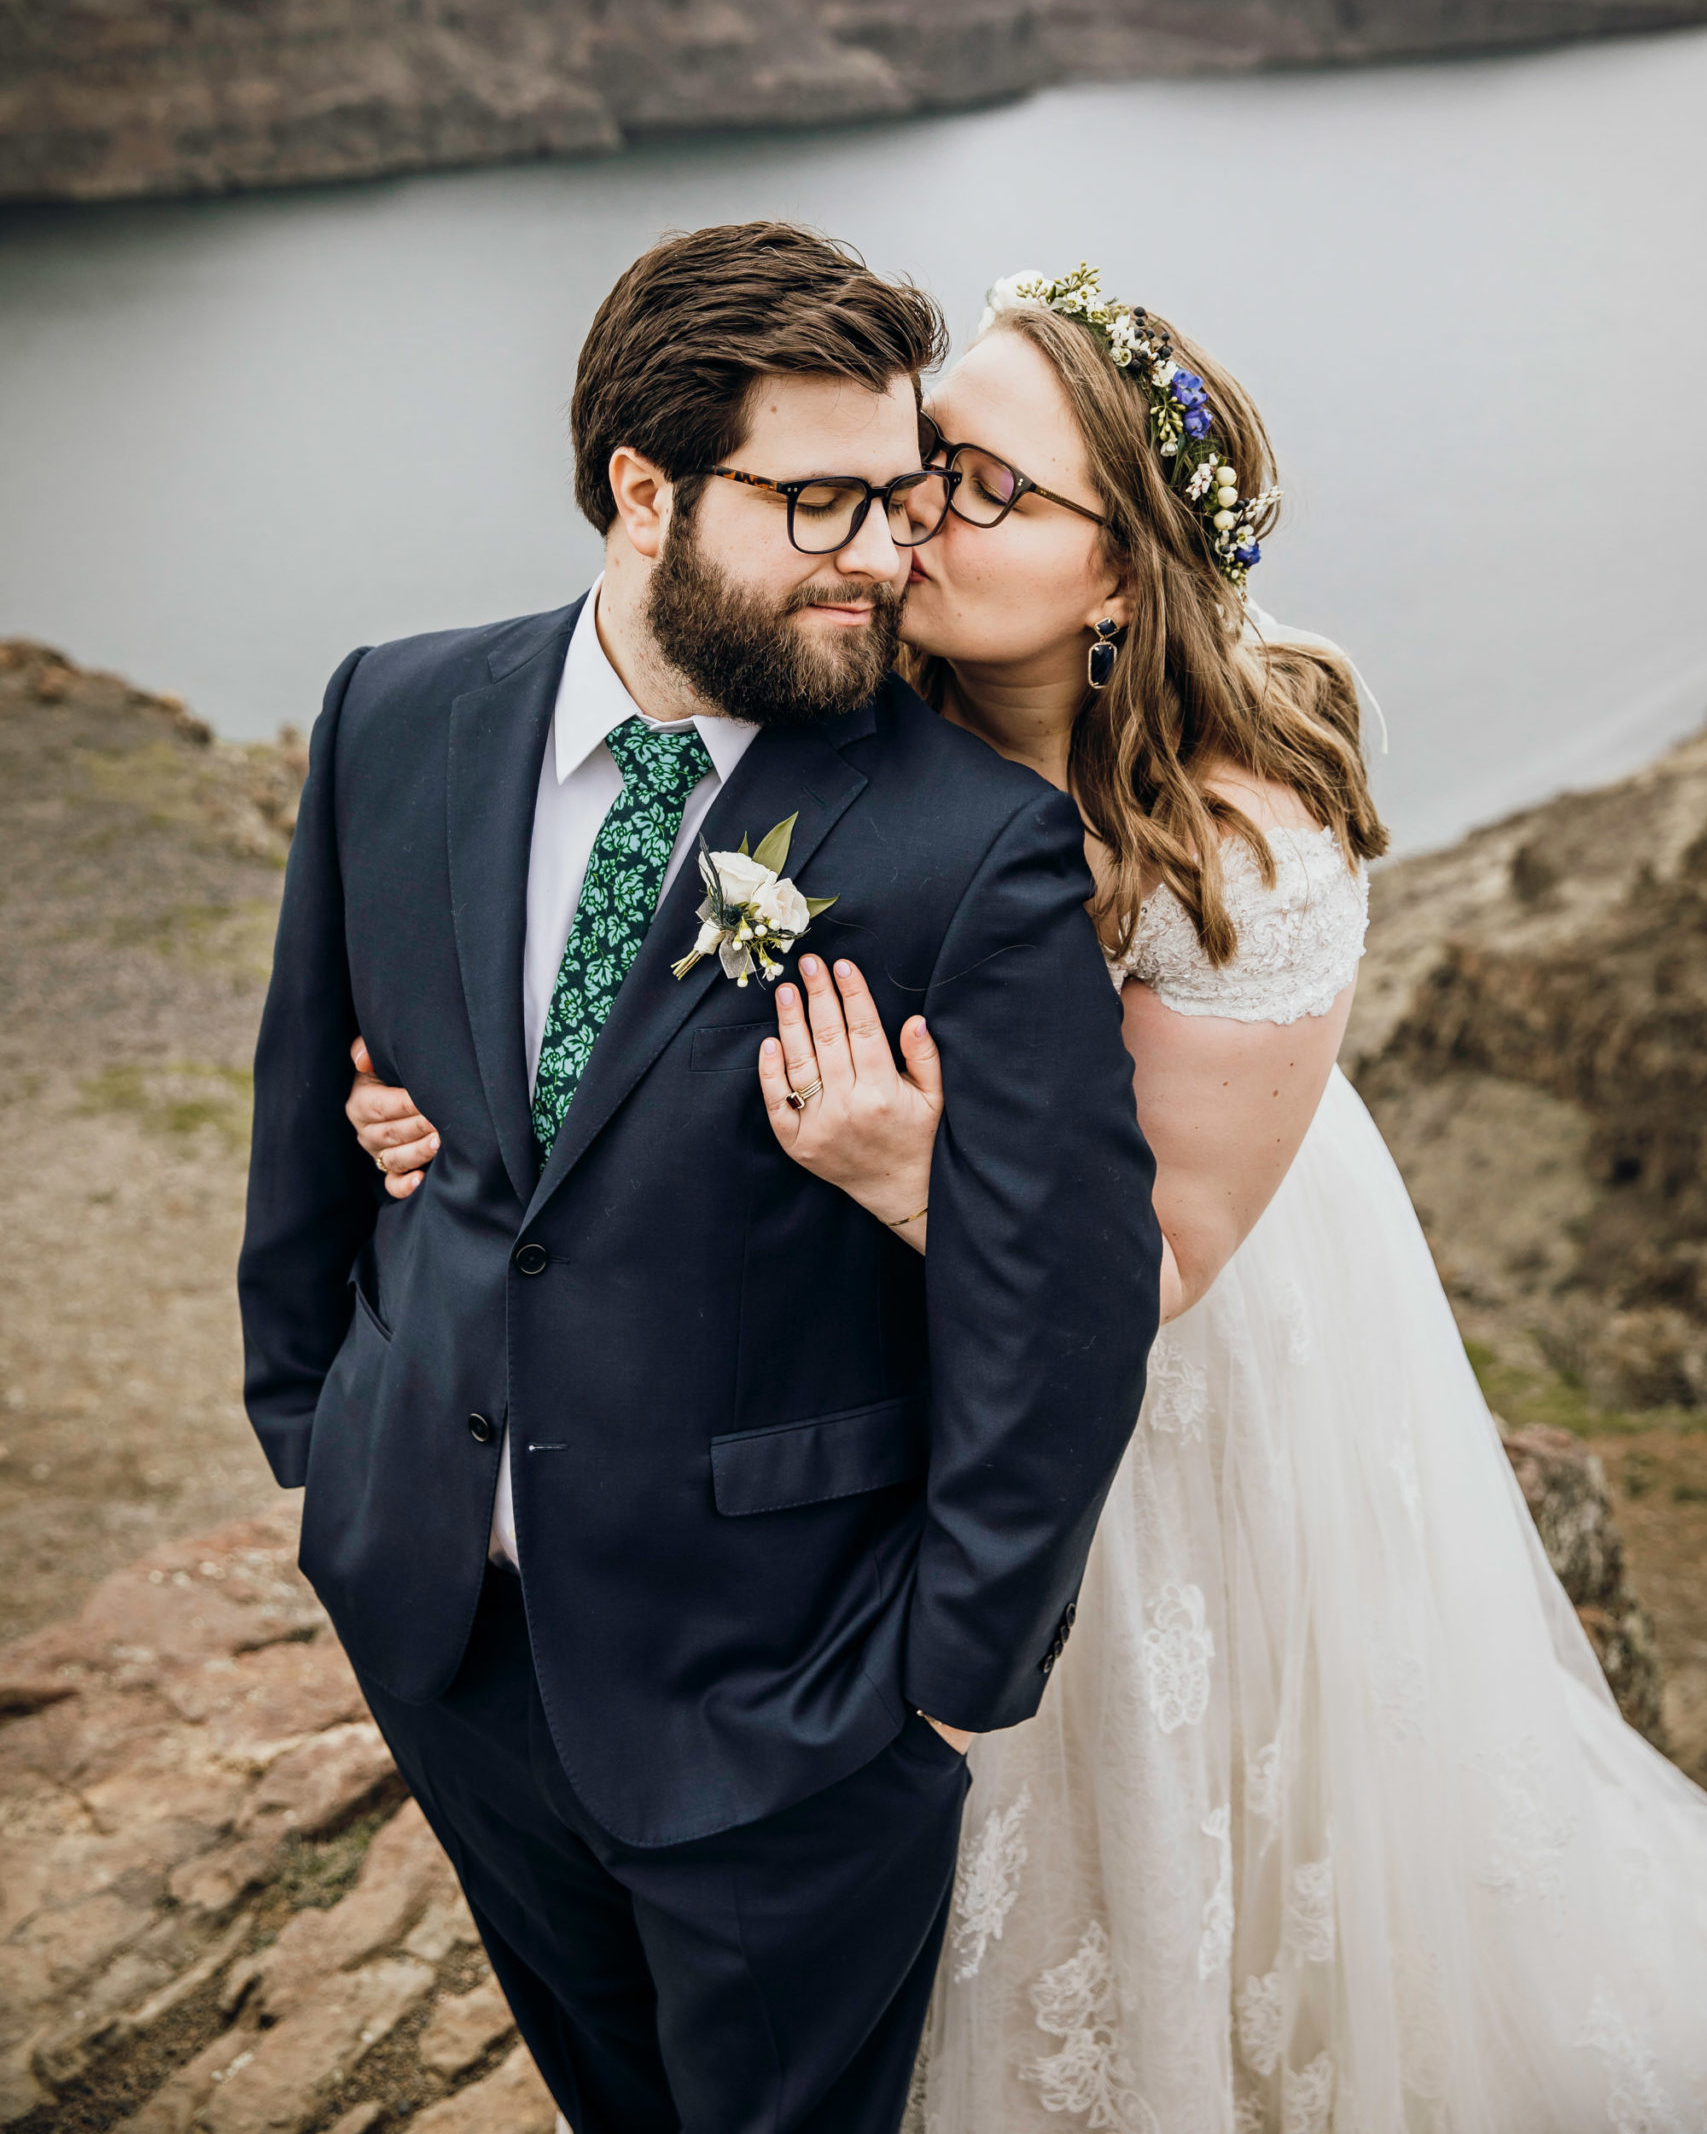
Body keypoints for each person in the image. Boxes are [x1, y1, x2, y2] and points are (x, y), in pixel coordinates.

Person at [355, 257, 1707, 2130]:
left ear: (1125, 570)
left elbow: (1155, 1267)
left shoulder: (1247, 839)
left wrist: (923, 1174)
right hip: (838, 1375)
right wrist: (451, 1118)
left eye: (983, 490)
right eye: (921, 466)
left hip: (1157, 1375)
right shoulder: (831, 682)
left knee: (1145, 1831)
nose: (908, 523)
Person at [237, 224, 1159, 2134]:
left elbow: (1070, 1298)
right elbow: (315, 1130)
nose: (886, 554)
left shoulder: (972, 848)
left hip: (797, 1714)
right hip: (454, 1644)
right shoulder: (393, 717)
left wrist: (941, 1686)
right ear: (642, 492)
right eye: (819, 503)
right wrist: (326, 1457)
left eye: (901, 498)